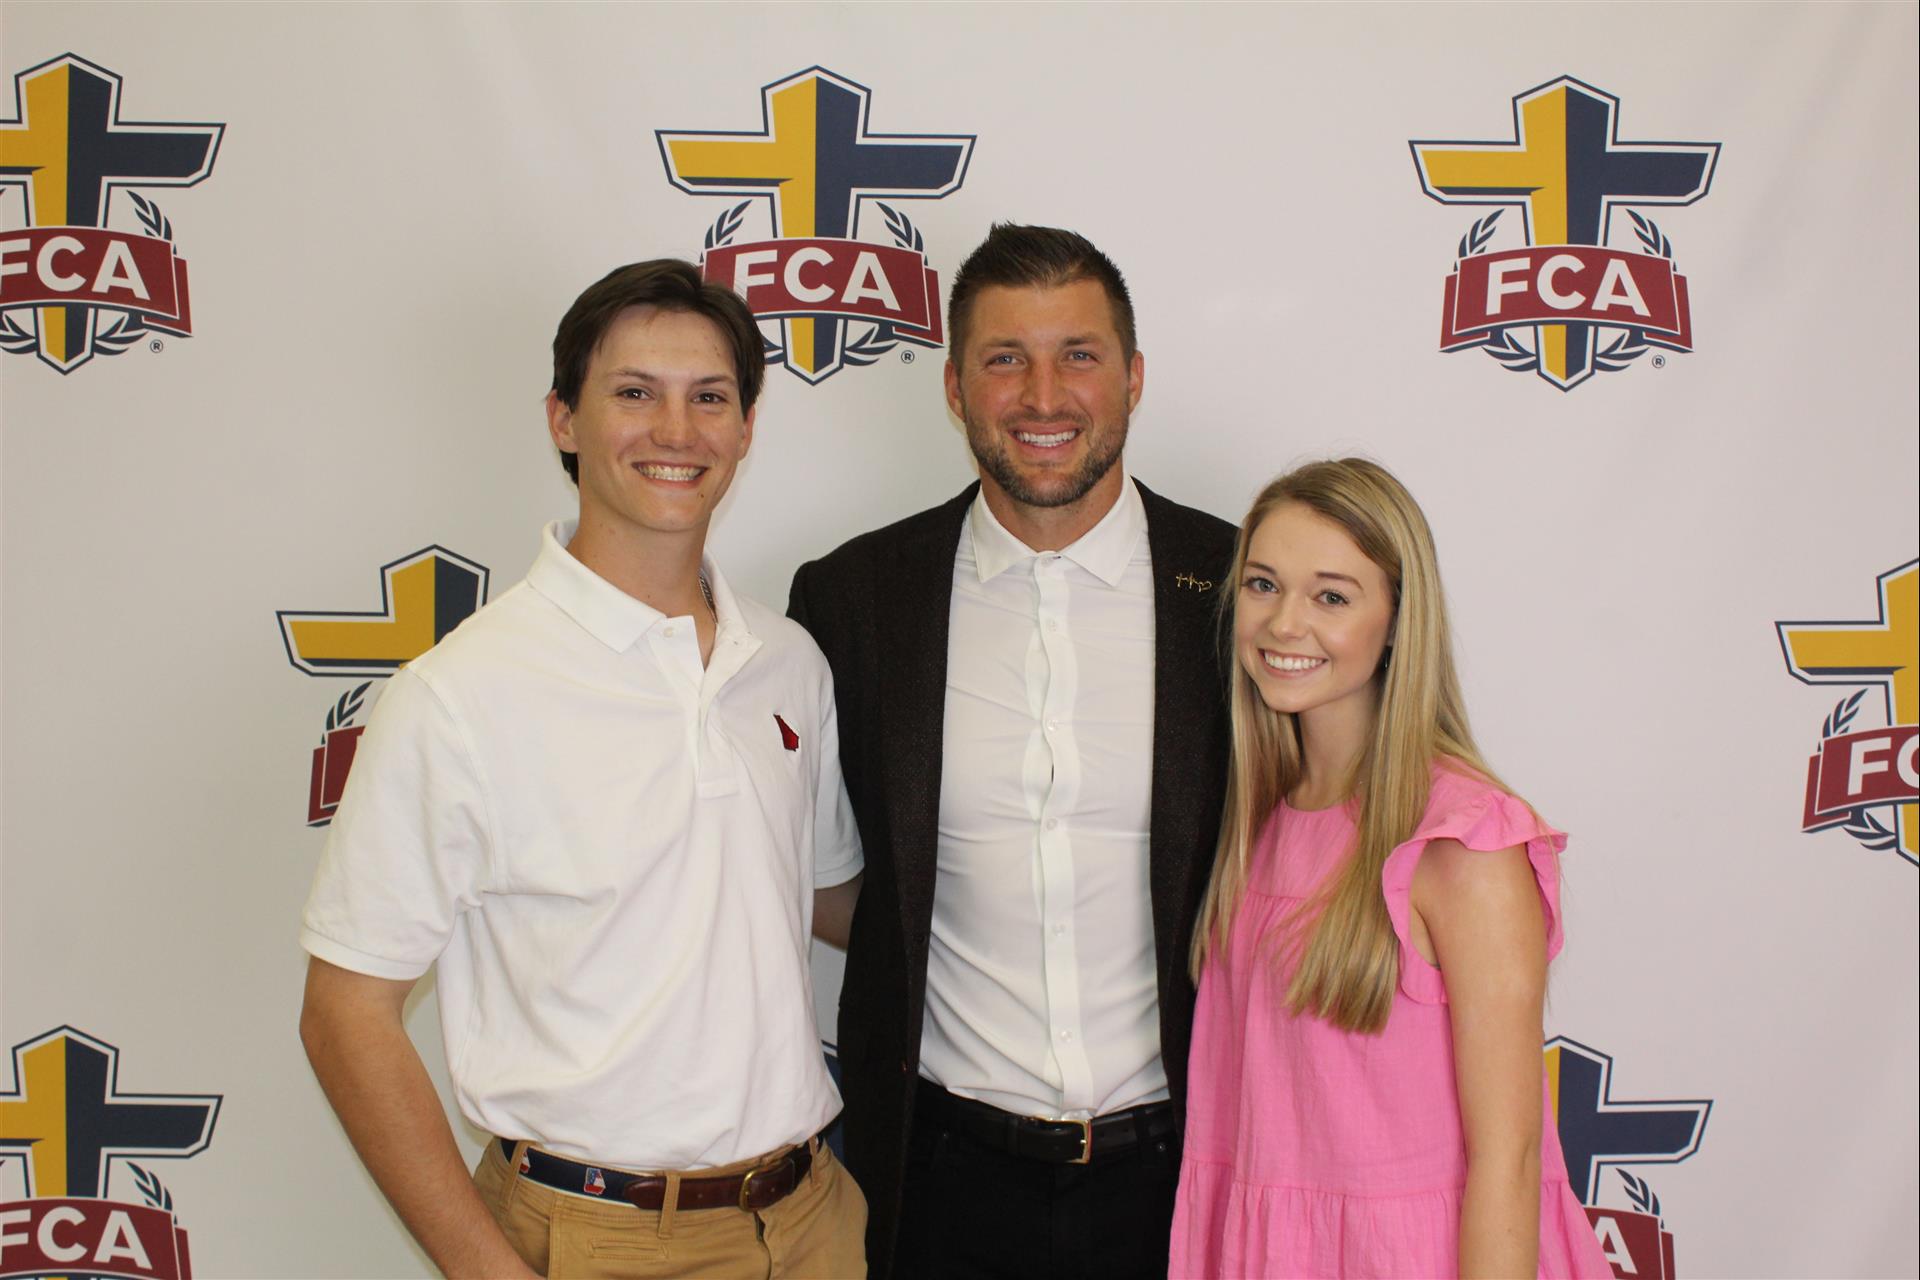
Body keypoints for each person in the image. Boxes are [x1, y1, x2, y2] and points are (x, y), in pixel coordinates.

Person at [298, 259, 868, 1280]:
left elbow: (832, 897)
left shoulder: (786, 662)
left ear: (746, 427)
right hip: (594, 1238)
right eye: (634, 393)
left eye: (710, 397)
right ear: (564, 418)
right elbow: (345, 1010)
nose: (676, 430)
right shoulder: (461, 694)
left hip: (810, 1220)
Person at [788, 223, 1237, 1280]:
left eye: (1078, 355)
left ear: (1132, 378)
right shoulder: (855, 599)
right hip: (935, 1179)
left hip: (1187, 1172)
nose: (1043, 396)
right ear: (954, 387)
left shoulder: (1237, 585)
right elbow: (823, 873)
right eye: (1005, 359)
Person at [1169, 458, 1612, 1278]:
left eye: (1332, 597)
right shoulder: (1252, 819)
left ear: (1399, 621)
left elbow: (1511, 1160)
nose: (1285, 624)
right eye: (1264, 585)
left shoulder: (1462, 841)